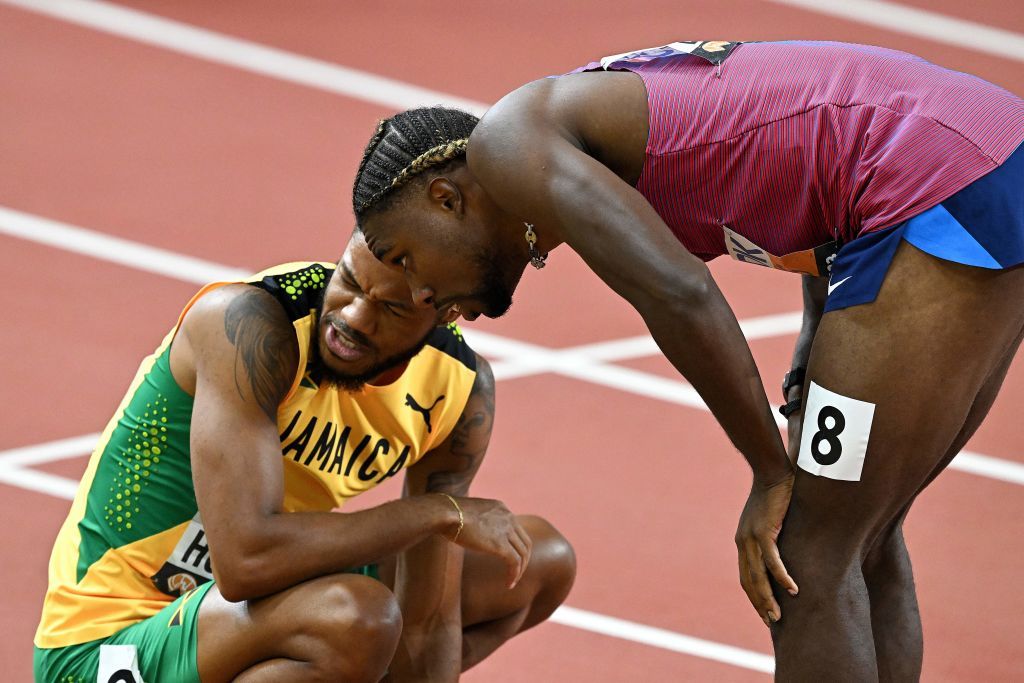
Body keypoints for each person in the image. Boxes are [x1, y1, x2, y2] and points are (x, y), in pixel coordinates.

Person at [350, 40, 1024, 680]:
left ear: (446, 196)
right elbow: (822, 187)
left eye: (404, 257)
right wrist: (805, 375)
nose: (421, 293)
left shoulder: (508, 143)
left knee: (806, 554)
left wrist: (768, 470)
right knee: (863, 537)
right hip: (977, 162)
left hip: (937, 178)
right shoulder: (579, 129)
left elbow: (679, 292)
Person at [33, 232, 576, 683]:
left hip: (262, 604)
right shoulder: (252, 326)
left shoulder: (457, 387)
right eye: (349, 280)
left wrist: (440, 526)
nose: (354, 318)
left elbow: (429, 621)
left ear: (448, 317)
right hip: (107, 644)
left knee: (537, 562)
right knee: (353, 616)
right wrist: (435, 514)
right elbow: (245, 565)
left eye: (390, 307)